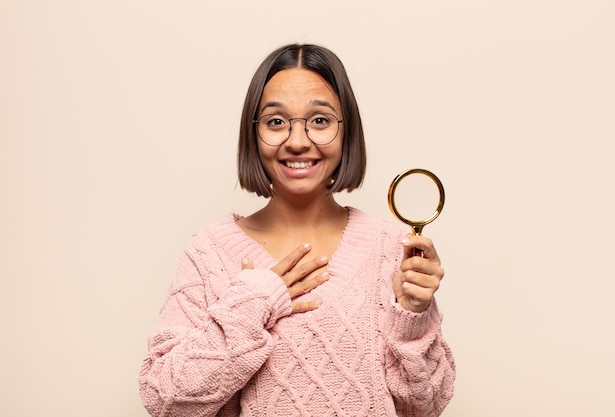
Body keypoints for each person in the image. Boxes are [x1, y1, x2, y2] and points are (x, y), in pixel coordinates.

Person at [139, 43, 455, 417]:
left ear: (346, 130)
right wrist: (256, 301)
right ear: (253, 134)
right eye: (276, 122)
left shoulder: (390, 247)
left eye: (319, 120)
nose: (298, 140)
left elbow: (426, 405)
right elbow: (164, 402)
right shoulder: (209, 252)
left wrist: (413, 315)